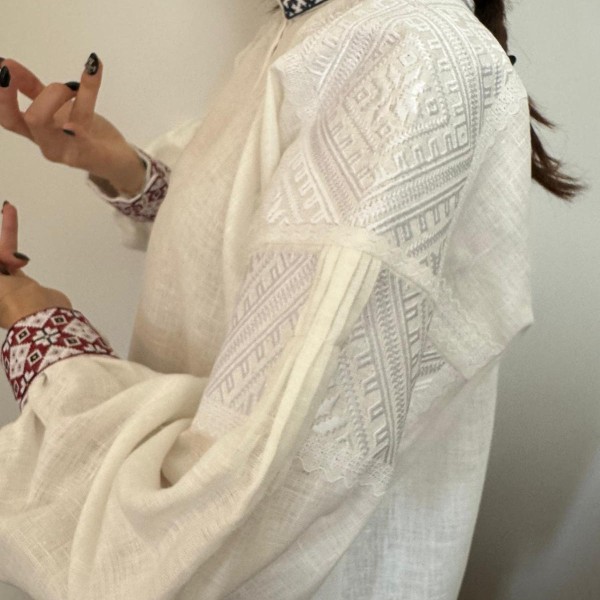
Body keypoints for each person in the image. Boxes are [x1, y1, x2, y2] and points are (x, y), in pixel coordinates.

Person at [0, 0, 586, 598]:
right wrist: (127, 168)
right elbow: (257, 247)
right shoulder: (301, 28)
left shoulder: (410, 52)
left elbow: (247, 500)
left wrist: (39, 331)